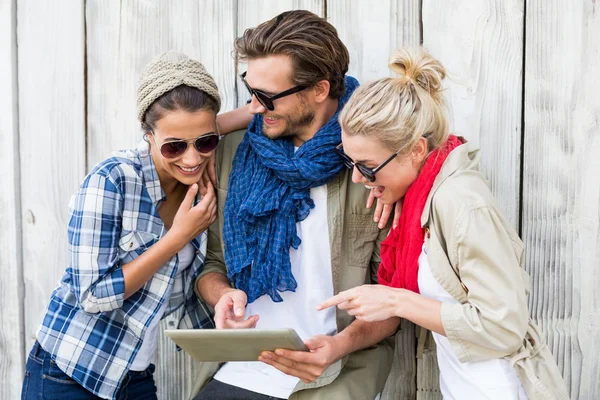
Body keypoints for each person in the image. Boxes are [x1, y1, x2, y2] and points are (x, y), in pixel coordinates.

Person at [319, 47, 570, 400]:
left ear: (416, 150)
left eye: (368, 166)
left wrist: (397, 301)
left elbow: (503, 328)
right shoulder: (418, 202)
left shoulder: (462, 204)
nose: (359, 180)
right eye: (351, 163)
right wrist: (335, 345)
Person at [193, 10, 397, 400]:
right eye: (248, 89)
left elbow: (392, 296)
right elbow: (213, 265)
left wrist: (340, 345)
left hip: (333, 368)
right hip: (242, 365)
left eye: (266, 96)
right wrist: (223, 297)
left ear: (320, 90)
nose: (253, 107)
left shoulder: (372, 164)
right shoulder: (232, 154)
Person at [21, 51, 247, 400]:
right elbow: (92, 295)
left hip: (135, 376)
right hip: (69, 374)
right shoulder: (113, 180)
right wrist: (176, 239)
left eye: (205, 142)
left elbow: (249, 113)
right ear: (148, 135)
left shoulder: (203, 183)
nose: (191, 158)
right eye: (174, 147)